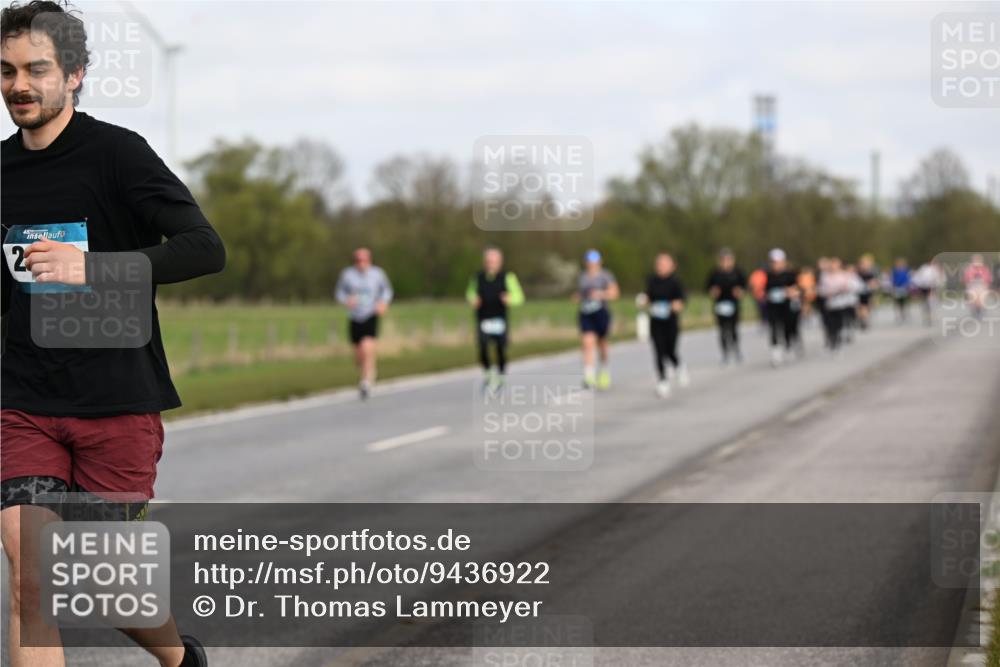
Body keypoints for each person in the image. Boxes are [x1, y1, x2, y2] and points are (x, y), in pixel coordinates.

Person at [1, 3, 225, 665]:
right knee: (30, 579)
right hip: (24, 402)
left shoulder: (118, 154)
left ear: (74, 74)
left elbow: (204, 247)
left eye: (37, 69)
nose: (20, 85)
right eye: (7, 70)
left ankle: (181, 657)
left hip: (117, 403)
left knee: (105, 584)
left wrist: (93, 268)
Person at [335, 247, 393, 400]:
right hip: (355, 316)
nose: (361, 263)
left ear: (369, 260)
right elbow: (339, 293)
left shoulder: (377, 274)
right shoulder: (347, 275)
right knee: (358, 354)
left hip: (370, 314)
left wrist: (383, 303)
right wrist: (346, 300)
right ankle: (368, 371)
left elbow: (387, 291)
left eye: (364, 260)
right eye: (358, 260)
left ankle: (365, 382)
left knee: (367, 347)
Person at [465, 246, 524, 392]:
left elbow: (519, 297)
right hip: (483, 318)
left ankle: (501, 374)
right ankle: (488, 374)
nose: (490, 263)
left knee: (500, 348)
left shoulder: (507, 277)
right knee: (483, 346)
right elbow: (470, 293)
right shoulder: (477, 277)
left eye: (493, 261)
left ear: (500, 262)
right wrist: (473, 299)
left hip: (500, 319)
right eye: (488, 261)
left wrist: (509, 299)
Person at [639, 253, 687, 397]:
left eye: (664, 264)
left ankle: (678, 366)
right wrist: (644, 301)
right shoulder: (652, 281)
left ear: (672, 266)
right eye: (658, 264)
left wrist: (675, 305)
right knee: (659, 351)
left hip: (671, 322)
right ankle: (662, 381)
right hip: (656, 322)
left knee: (670, 351)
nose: (660, 267)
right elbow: (647, 297)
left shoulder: (676, 282)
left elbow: (681, 301)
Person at [574, 249, 619, 389]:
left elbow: (615, 293)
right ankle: (589, 375)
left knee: (602, 344)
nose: (591, 264)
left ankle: (604, 370)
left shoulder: (606, 276)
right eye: (589, 261)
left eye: (594, 261)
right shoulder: (582, 277)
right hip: (586, 313)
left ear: (599, 262)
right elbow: (580, 294)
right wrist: (578, 297)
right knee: (587, 342)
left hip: (601, 312)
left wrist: (600, 294)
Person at [705, 248, 746, 364]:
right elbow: (708, 288)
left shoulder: (738, 272)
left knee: (733, 329)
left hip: (733, 304)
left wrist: (740, 291)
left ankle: (736, 350)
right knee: (722, 330)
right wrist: (713, 292)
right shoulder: (715, 274)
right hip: (720, 305)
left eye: (728, 260)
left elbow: (744, 286)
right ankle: (725, 353)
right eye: (723, 260)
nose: (726, 262)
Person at [764, 248, 800, 367]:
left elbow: (797, 289)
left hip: (787, 306)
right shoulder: (767, 275)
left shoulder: (790, 274)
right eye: (774, 262)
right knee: (774, 327)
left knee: (787, 327)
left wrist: (790, 291)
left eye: (778, 262)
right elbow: (762, 290)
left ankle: (788, 345)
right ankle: (776, 352)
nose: (776, 265)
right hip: (773, 306)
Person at [962, 254, 993, 321]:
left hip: (982, 286)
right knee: (973, 301)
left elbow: (988, 279)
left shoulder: (985, 269)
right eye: (975, 260)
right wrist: (967, 287)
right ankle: (975, 312)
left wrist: (986, 287)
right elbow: (966, 279)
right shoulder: (969, 269)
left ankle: (980, 313)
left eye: (978, 260)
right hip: (972, 286)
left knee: (980, 301)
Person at [913, 259, 943, 326]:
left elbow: (940, 279)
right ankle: (927, 316)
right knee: (925, 303)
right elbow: (918, 278)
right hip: (924, 287)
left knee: (931, 301)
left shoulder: (936, 268)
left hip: (932, 287)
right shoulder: (923, 268)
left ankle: (931, 316)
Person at [856, 254, 879, 330]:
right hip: (858, 293)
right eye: (863, 264)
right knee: (860, 307)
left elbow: (875, 283)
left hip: (868, 293)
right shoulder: (857, 273)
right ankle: (862, 320)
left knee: (867, 307)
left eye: (866, 264)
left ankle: (865, 319)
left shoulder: (871, 273)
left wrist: (873, 285)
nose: (864, 266)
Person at [891, 257, 912, 323]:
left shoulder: (905, 270)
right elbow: (893, 279)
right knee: (897, 302)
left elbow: (907, 279)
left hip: (904, 288)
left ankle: (903, 314)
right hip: (897, 288)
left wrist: (907, 285)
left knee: (903, 302)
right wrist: (893, 286)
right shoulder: (895, 271)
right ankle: (898, 315)